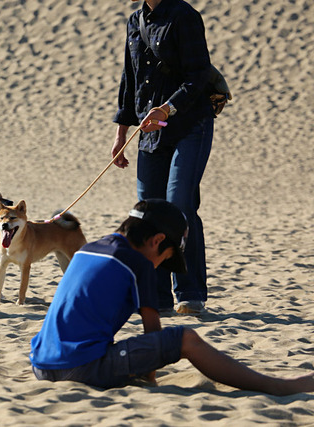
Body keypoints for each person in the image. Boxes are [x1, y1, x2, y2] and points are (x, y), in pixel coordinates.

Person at [29, 199, 314, 395]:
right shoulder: (137, 263)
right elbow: (153, 334)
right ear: (157, 241)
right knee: (186, 339)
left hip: (40, 365)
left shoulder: (87, 249)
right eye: (164, 259)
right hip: (79, 369)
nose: (159, 266)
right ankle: (277, 387)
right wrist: (147, 375)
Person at [111, 0, 215, 314]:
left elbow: (199, 75)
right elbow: (130, 79)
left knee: (179, 204)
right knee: (147, 214)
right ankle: (156, 298)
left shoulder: (185, 16)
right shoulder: (134, 20)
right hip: (149, 130)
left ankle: (190, 293)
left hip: (189, 124)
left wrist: (168, 108)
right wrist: (120, 133)